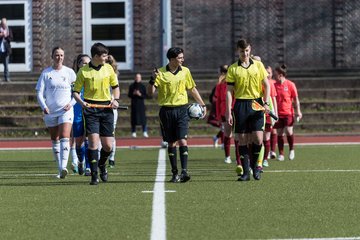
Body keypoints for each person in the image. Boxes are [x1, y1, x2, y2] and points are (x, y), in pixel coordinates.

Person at [147, 47, 207, 183]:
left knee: (183, 140)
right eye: (180, 58)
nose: (182, 60)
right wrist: (152, 80)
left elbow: (192, 89)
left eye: (182, 57)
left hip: (182, 110)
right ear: (172, 59)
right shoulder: (161, 73)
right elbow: (150, 93)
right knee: (171, 142)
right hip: (166, 111)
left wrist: (202, 104)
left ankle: (184, 171)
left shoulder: (185, 71)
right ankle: (174, 173)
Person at [73, 42, 120, 185]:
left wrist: (115, 100)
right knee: (93, 143)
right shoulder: (83, 71)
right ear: (96, 56)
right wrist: (82, 103)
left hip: (106, 109)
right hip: (91, 109)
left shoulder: (109, 69)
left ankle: (101, 165)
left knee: (108, 146)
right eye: (104, 55)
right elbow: (75, 93)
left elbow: (115, 87)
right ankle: (94, 175)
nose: (106, 58)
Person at [226, 38, 270, 181]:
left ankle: (256, 167)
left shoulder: (258, 65)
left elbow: (267, 85)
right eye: (241, 51)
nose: (244, 53)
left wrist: (267, 103)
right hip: (241, 105)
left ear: (250, 50)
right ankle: (246, 172)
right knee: (243, 139)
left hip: (256, 103)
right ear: (237, 51)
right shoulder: (233, 68)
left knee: (258, 138)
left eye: (246, 50)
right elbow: (229, 92)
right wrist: (228, 111)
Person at [36, 47, 77, 178]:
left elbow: (77, 93)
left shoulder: (70, 73)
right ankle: (60, 169)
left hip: (66, 111)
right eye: (56, 55)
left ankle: (64, 166)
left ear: (64, 57)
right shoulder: (46, 73)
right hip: (50, 112)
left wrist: (70, 104)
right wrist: (44, 106)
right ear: (52, 56)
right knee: (55, 139)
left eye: (61, 55)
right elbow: (39, 93)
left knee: (65, 136)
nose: (59, 57)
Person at [273, 64, 302, 161]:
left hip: (288, 113)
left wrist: (298, 111)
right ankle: (281, 154)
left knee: (289, 131)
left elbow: (296, 99)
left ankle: (291, 149)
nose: (274, 76)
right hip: (278, 113)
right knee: (280, 133)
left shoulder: (290, 84)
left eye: (275, 74)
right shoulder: (274, 85)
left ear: (280, 75)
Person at [71, 54, 92, 176]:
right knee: (79, 142)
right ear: (78, 64)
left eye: (88, 63)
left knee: (90, 140)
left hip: (90, 112)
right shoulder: (73, 79)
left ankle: (89, 167)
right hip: (77, 112)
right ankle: (80, 161)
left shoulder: (92, 78)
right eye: (83, 63)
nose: (86, 65)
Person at [106, 54, 120, 167]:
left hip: (110, 106)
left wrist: (114, 100)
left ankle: (112, 157)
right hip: (103, 105)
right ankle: (111, 157)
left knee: (111, 133)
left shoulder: (112, 75)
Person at [262, 66, 278, 167]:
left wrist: (275, 112)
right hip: (255, 111)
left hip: (267, 112)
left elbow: (273, 98)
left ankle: (264, 159)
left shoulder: (269, 83)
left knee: (266, 137)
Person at [128, 73, 148, 138]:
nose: (137, 78)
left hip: (141, 105)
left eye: (139, 77)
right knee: (133, 119)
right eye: (136, 77)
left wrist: (140, 94)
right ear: (135, 78)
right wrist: (133, 93)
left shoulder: (143, 86)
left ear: (141, 78)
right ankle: (133, 132)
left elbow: (146, 96)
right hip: (134, 104)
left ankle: (145, 132)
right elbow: (129, 95)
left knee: (143, 119)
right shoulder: (132, 86)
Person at [0, 18, 13, 82]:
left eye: (4, 24)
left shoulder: (8, 29)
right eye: (2, 24)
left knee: (6, 65)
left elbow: (11, 39)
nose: (3, 26)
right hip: (0, 49)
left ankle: (7, 77)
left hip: (6, 50)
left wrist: (6, 36)